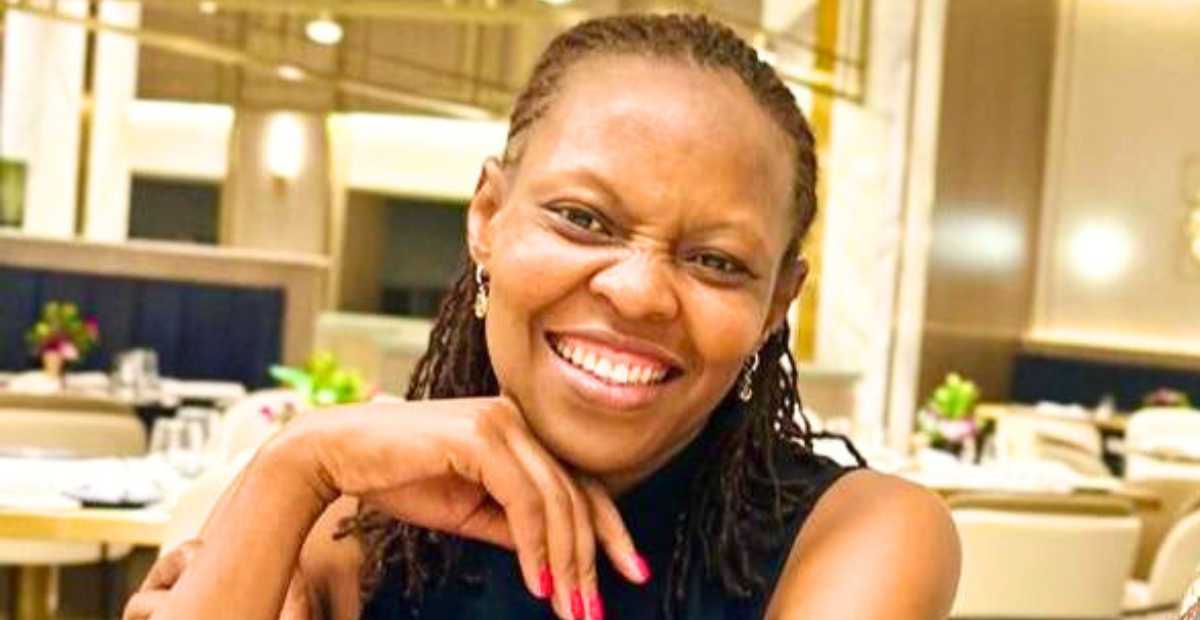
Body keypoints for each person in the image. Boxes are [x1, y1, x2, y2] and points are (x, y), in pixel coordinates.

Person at [124, 13, 960, 620]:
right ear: (488, 216)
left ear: (776, 303)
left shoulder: (861, 535)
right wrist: (296, 463)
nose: (638, 292)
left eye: (715, 261)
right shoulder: (359, 525)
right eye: (583, 219)